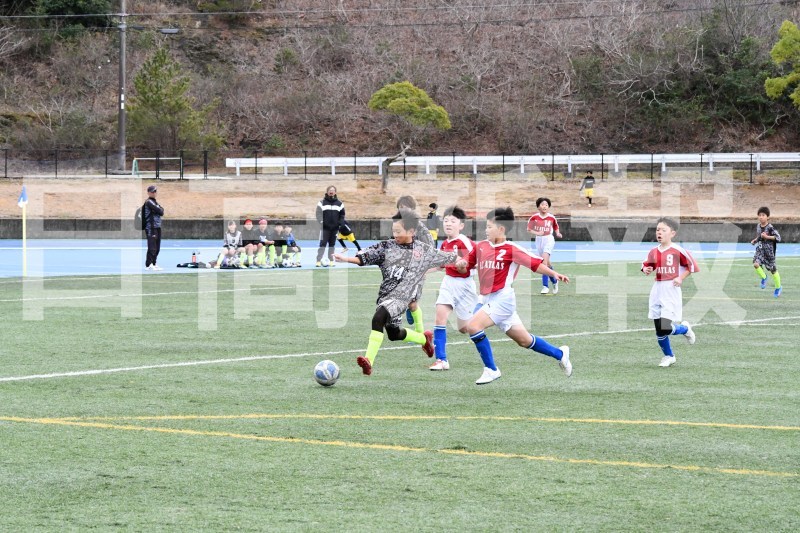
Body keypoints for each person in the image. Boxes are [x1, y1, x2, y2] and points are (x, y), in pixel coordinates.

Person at [332, 209, 465, 376]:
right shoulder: (387, 246)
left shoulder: (423, 250)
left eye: (398, 231)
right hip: (386, 295)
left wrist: (460, 261)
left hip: (403, 297)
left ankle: (368, 361)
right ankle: (424, 339)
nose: (395, 234)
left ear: (411, 231)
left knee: (378, 318)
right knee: (394, 333)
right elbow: (365, 258)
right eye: (393, 231)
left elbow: (449, 257)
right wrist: (345, 259)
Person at [462, 207, 572, 385]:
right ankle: (560, 354)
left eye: (489, 226)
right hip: (485, 299)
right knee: (524, 341)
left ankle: (491, 369)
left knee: (473, 326)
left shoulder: (512, 249)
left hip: (503, 300)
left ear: (501, 229)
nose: (485, 230)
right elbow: (466, 264)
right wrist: (454, 263)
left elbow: (535, 264)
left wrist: (554, 274)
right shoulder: (481, 246)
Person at [641, 217, 699, 367]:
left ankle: (685, 329)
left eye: (663, 230)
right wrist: (646, 269)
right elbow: (647, 265)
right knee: (658, 328)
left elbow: (692, 267)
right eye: (657, 230)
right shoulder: (654, 251)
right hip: (657, 289)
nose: (659, 232)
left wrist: (680, 278)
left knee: (664, 327)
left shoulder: (678, 250)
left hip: (670, 290)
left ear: (672, 233)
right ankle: (669, 356)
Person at [430, 206, 478, 371]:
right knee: (440, 318)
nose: (448, 224)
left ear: (461, 225)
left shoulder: (465, 242)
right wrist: (419, 273)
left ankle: (484, 312)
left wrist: (463, 266)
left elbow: (473, 264)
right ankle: (441, 360)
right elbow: (440, 266)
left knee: (464, 328)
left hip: (465, 286)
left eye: (452, 221)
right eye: (446, 221)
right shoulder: (445, 244)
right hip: (448, 283)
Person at [396, 195, 435, 333]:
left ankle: (420, 333)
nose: (402, 210)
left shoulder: (419, 226)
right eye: (400, 208)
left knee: (412, 303)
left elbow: (430, 246)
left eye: (405, 207)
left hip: (417, 269)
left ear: (412, 209)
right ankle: (408, 309)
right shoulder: (398, 226)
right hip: (402, 270)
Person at [526, 197, 562, 295]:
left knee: (543, 262)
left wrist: (557, 233)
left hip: (548, 239)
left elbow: (555, 226)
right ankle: (555, 281)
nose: (544, 206)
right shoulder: (534, 217)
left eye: (546, 205)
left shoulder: (551, 217)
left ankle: (545, 286)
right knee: (548, 264)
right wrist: (537, 233)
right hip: (539, 240)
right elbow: (529, 229)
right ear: (538, 207)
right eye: (542, 204)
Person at [750, 206, 782, 297]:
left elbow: (778, 238)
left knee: (773, 270)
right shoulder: (758, 226)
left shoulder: (770, 227)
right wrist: (755, 240)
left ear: (767, 217)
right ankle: (764, 277)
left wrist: (767, 237)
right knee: (756, 264)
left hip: (769, 253)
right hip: (760, 251)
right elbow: (760, 236)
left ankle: (778, 287)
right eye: (759, 215)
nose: (761, 217)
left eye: (763, 215)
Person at [315, 185, 345, 267]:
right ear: (327, 191)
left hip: (335, 229)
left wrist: (340, 223)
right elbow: (318, 214)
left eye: (333, 190)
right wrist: (322, 222)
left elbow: (342, 215)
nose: (331, 191)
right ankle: (318, 260)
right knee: (322, 244)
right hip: (325, 228)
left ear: (335, 192)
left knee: (332, 245)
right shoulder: (321, 203)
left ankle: (331, 260)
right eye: (330, 190)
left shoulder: (340, 203)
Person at [143, 184, 164, 270]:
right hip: (151, 227)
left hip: (157, 226)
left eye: (155, 191)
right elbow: (160, 210)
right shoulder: (149, 202)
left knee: (157, 247)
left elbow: (162, 211)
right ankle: (149, 264)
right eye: (152, 191)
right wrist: (158, 209)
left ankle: (154, 263)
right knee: (152, 247)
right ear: (148, 193)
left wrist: (158, 209)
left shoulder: (155, 202)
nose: (154, 193)